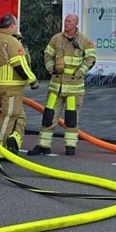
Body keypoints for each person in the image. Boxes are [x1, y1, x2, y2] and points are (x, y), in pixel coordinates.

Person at [29, 14, 96, 156]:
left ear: (76, 23)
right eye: (65, 20)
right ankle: (43, 145)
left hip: (73, 88)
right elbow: (47, 55)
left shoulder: (84, 40)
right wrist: (51, 68)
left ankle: (70, 146)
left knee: (71, 119)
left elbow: (91, 59)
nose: (65, 23)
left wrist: (79, 73)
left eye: (69, 21)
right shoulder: (56, 38)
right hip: (56, 88)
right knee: (48, 117)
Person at [0, 14, 39, 155]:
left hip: (0, 84)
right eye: (15, 25)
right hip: (12, 86)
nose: (16, 28)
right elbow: (19, 65)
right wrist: (33, 80)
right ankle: (0, 149)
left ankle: (13, 140)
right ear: (11, 26)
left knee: (20, 117)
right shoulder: (12, 41)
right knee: (9, 116)